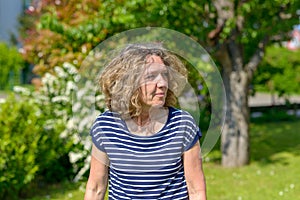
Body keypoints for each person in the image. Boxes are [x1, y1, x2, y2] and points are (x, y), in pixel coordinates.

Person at [84, 43, 207, 200]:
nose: (162, 83)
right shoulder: (105, 127)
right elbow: (95, 189)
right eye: (151, 76)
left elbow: (196, 190)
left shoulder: (182, 124)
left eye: (164, 75)